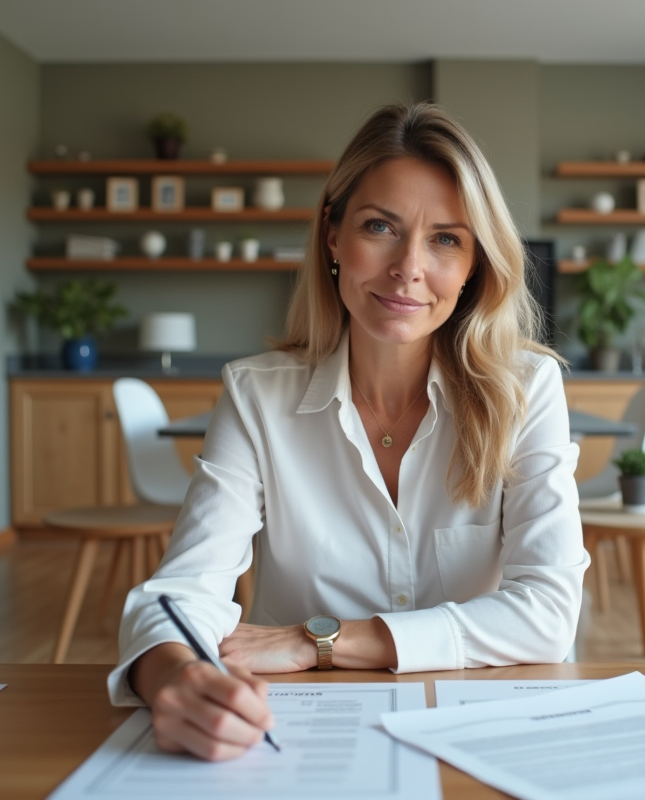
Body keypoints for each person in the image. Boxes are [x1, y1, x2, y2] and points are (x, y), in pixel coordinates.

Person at [107, 102, 588, 761]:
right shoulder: (256, 396)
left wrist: (316, 639)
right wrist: (175, 679)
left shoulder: (526, 389)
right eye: (380, 227)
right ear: (333, 235)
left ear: (476, 263)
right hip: (297, 738)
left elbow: (549, 614)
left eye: (446, 238)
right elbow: (181, 592)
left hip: (486, 727)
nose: (408, 267)